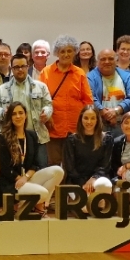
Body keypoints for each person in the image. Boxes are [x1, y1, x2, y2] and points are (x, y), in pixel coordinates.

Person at [0, 102, 64, 213]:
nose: (18, 116)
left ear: (26, 115)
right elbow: (5, 168)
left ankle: (30, 204)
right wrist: (19, 178)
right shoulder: (3, 137)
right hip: (12, 183)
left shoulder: (32, 135)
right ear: (10, 117)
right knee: (43, 193)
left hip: (27, 178)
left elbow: (35, 163)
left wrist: (26, 177)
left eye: (20, 113)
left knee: (58, 171)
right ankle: (29, 203)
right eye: (14, 114)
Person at [0, 52, 53, 168]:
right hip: (10, 138)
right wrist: (3, 112)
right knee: (12, 172)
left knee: (41, 170)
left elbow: (48, 104)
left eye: (23, 66)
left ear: (27, 66)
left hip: (37, 137)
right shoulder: (2, 89)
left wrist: (46, 112)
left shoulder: (41, 87)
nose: (20, 70)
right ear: (11, 69)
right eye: (16, 67)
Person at [39, 35, 94, 165]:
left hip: (75, 128)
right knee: (54, 164)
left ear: (75, 52)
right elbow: (39, 99)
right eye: (62, 51)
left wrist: (85, 123)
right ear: (57, 53)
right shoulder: (46, 72)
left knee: (74, 163)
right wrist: (47, 116)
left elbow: (88, 101)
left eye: (69, 51)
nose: (66, 54)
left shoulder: (79, 73)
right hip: (53, 127)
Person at [62, 105, 114, 194]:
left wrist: (94, 178)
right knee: (85, 207)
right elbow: (70, 168)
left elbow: (105, 165)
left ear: (97, 120)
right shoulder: (71, 140)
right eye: (86, 118)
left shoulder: (107, 139)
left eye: (93, 118)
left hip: (98, 179)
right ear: (81, 119)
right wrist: (84, 184)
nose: (89, 121)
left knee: (104, 186)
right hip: (77, 182)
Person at [88, 48, 130, 137]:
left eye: (110, 58)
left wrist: (116, 111)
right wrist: (103, 112)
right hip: (98, 124)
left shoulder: (128, 76)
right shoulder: (90, 77)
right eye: (103, 59)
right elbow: (90, 96)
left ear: (116, 61)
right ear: (97, 62)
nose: (107, 61)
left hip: (123, 124)